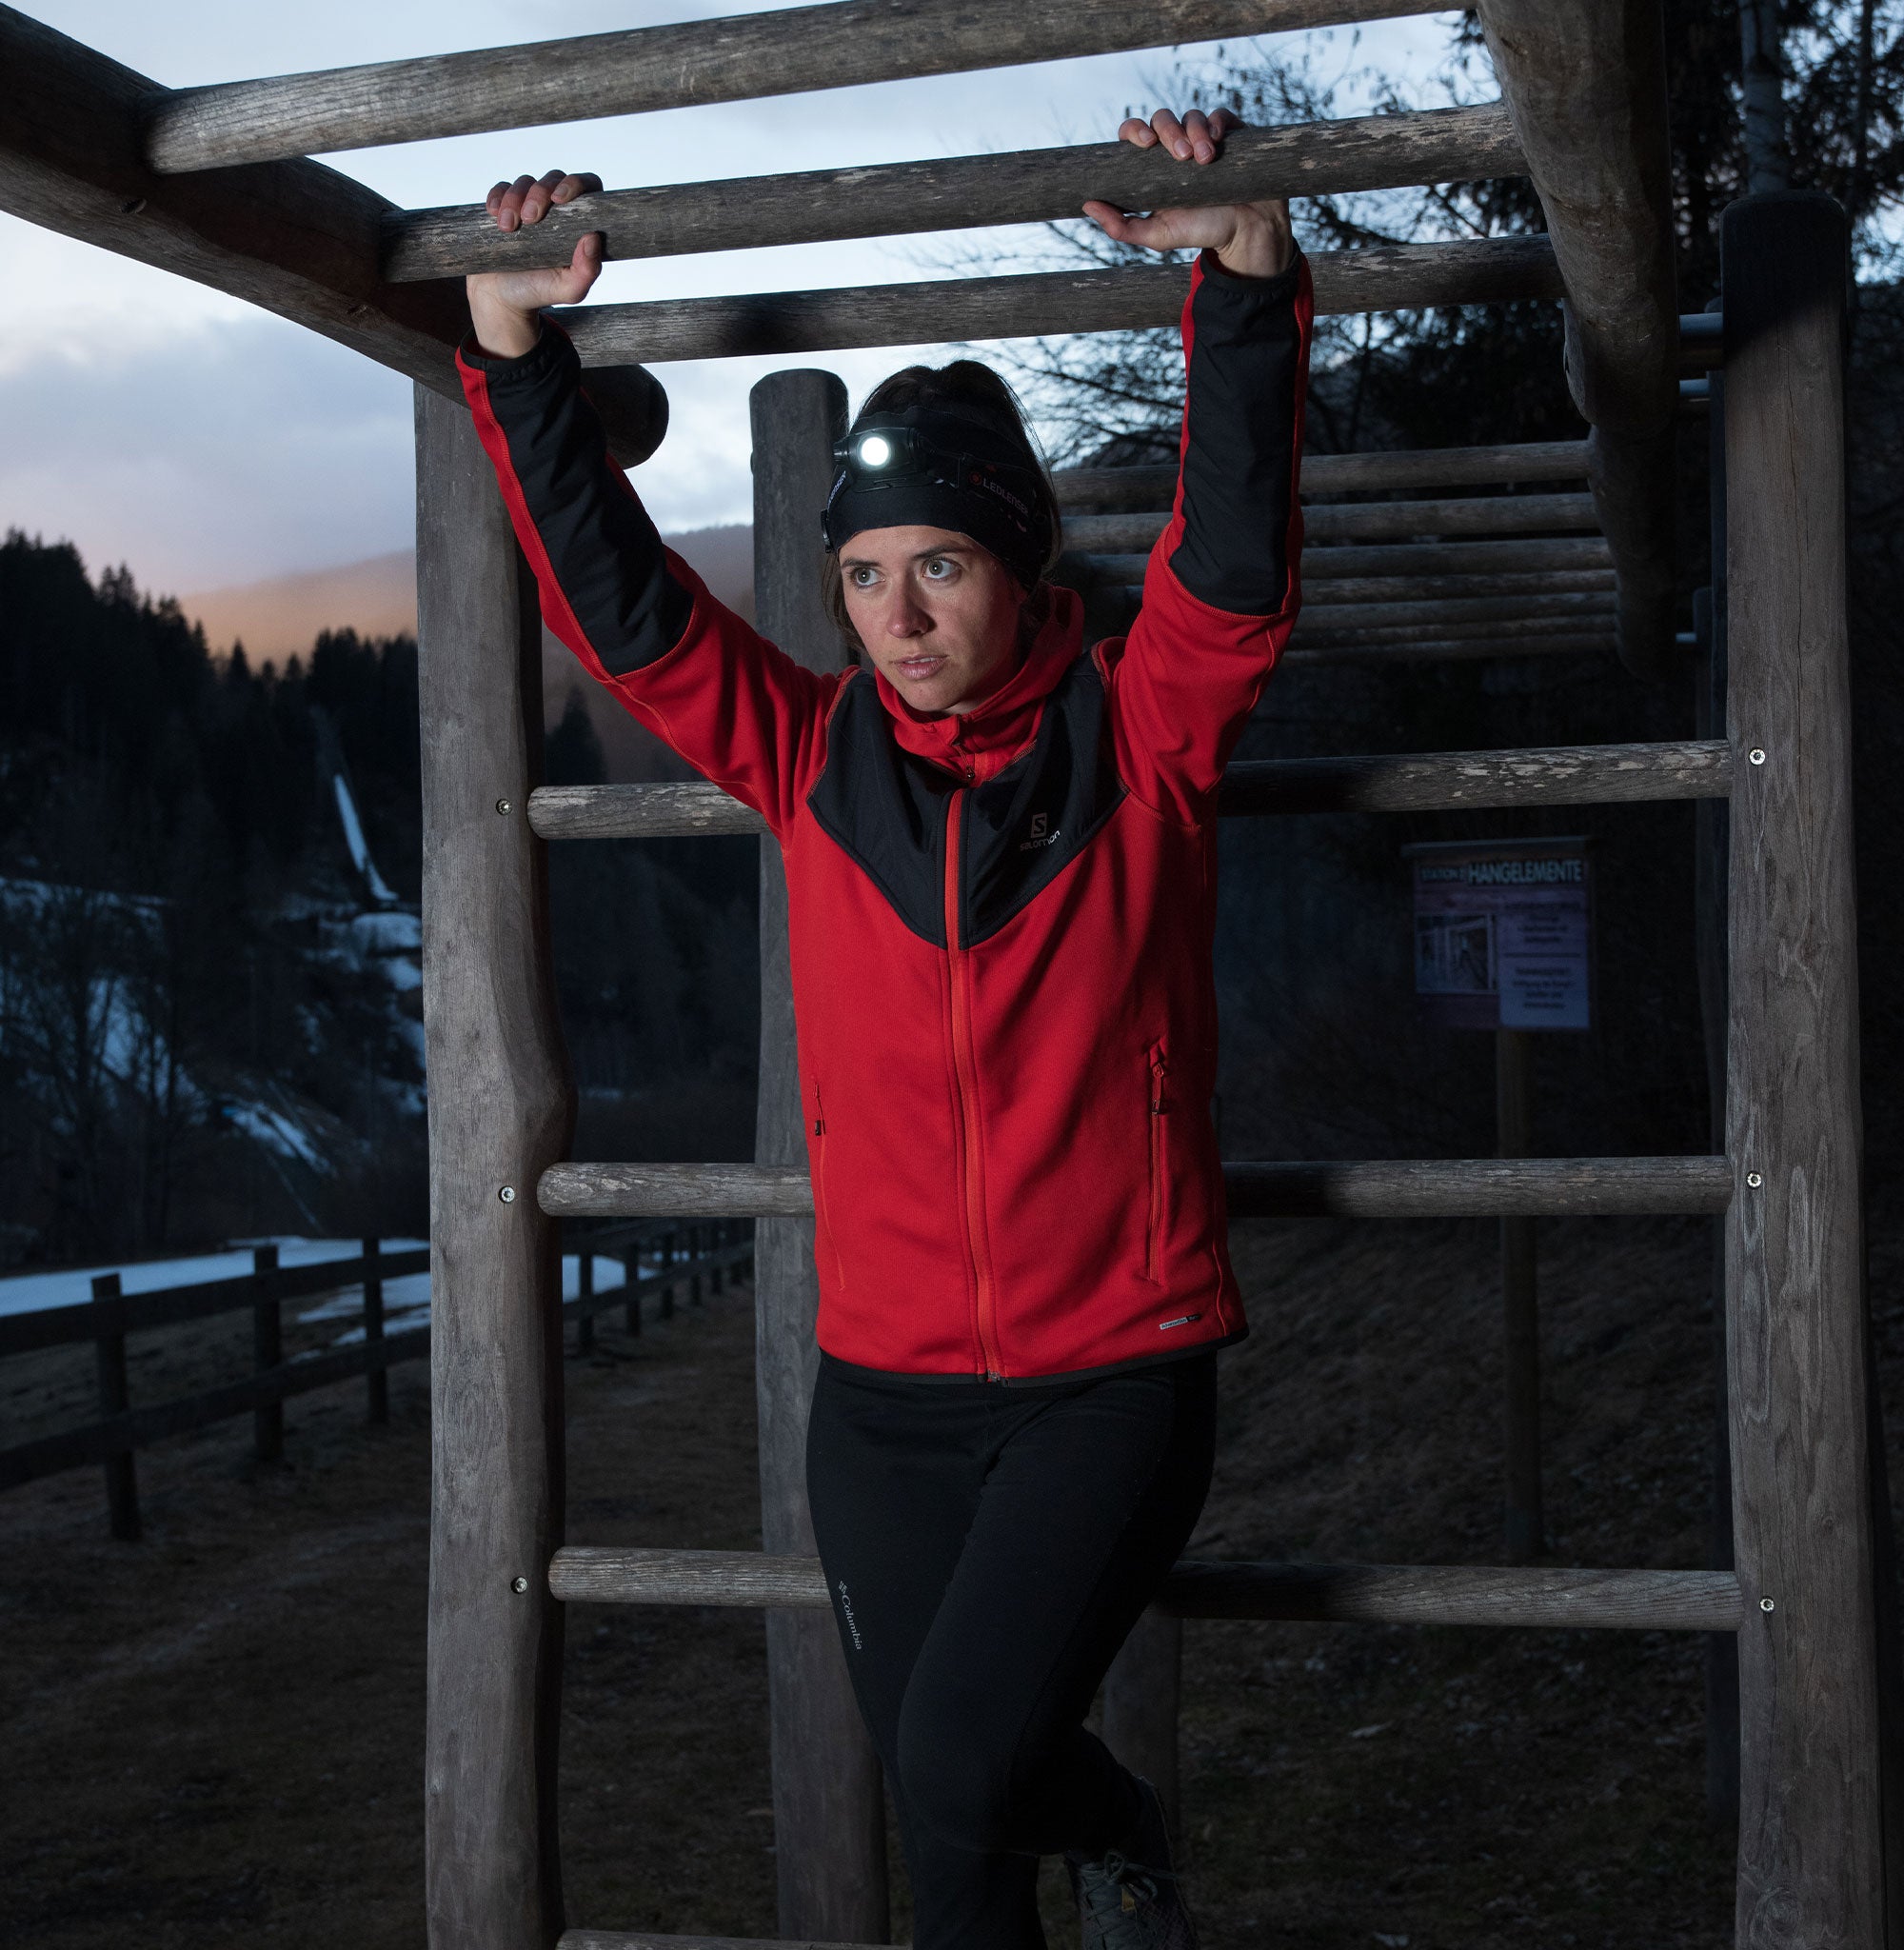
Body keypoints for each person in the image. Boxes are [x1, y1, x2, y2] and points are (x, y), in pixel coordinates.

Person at [460, 106, 1311, 1950]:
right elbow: (620, 615)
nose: (898, 614)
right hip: (884, 1398)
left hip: (1110, 1376)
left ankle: (1125, 1819)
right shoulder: (808, 750)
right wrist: (516, 347)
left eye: (938, 565)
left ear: (1018, 566)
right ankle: (1098, 1832)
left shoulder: (1140, 730)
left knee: (950, 1763)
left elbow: (1231, 551)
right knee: (957, 1846)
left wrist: (1238, 274)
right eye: (863, 573)